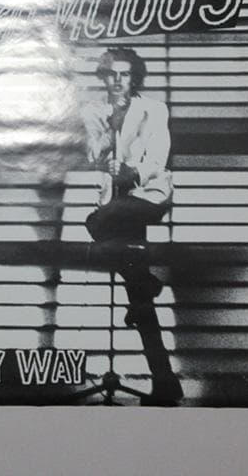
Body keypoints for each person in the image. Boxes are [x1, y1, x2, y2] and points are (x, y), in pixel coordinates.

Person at [82, 47, 183, 405]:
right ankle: (165, 382)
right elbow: (93, 155)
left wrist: (129, 171)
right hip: (115, 203)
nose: (118, 80)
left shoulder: (155, 109)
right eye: (112, 73)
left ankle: (144, 283)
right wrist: (107, 137)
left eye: (124, 74)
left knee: (98, 220)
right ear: (104, 76)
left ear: (134, 77)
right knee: (138, 297)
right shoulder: (92, 111)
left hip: (146, 196)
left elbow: (158, 158)